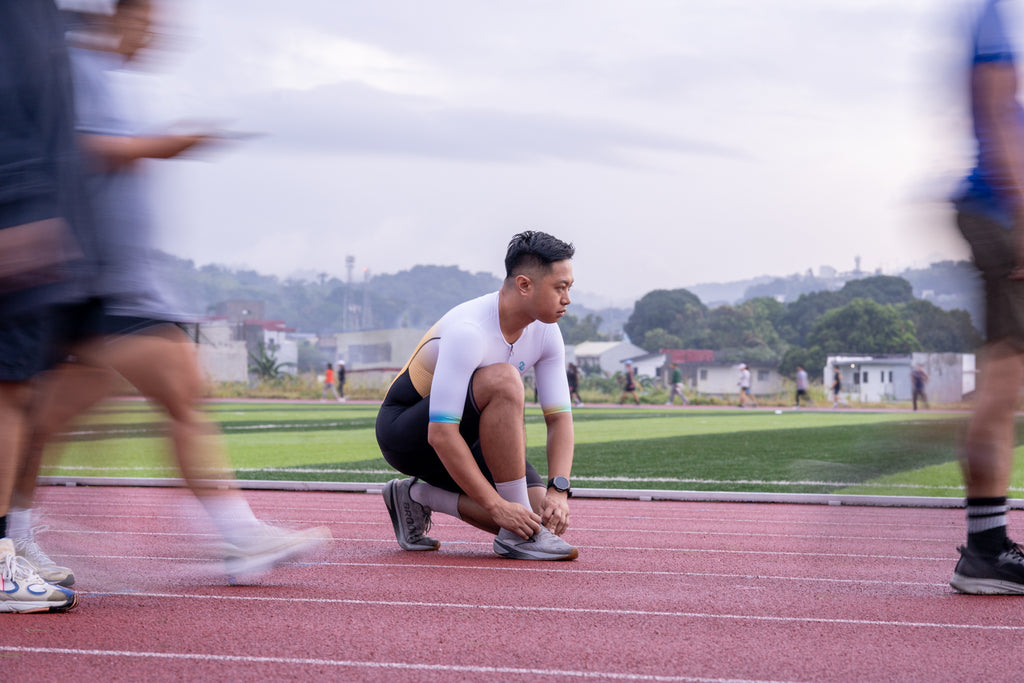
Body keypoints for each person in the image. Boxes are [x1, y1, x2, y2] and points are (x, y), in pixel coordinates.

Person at [10, 0, 330, 587]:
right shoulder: (77, 67)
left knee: (45, 415)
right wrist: (165, 145)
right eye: (149, 22)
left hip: (108, 278)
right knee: (169, 391)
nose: (155, 36)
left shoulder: (101, 75)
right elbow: (78, 151)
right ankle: (237, 534)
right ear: (117, 15)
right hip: (96, 277)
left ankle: (17, 536)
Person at [376, 231, 578, 561]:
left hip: (471, 432)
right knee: (504, 379)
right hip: (410, 433)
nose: (567, 298)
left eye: (569, 287)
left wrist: (559, 491)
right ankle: (516, 536)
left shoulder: (547, 332)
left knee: (542, 517)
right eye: (560, 288)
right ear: (524, 285)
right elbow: (440, 433)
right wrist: (497, 506)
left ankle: (416, 495)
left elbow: (559, 420)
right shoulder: (469, 330)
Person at [0, 0, 83, 613]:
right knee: (8, 392)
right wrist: (22, 201)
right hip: (15, 212)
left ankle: (9, 544)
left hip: (28, 206)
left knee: (19, 393)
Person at [948, 0, 1024, 594]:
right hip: (1001, 212)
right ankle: (985, 550)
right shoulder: (995, 15)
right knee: (1003, 386)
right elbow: (997, 111)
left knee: (1003, 384)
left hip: (998, 210)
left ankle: (987, 547)